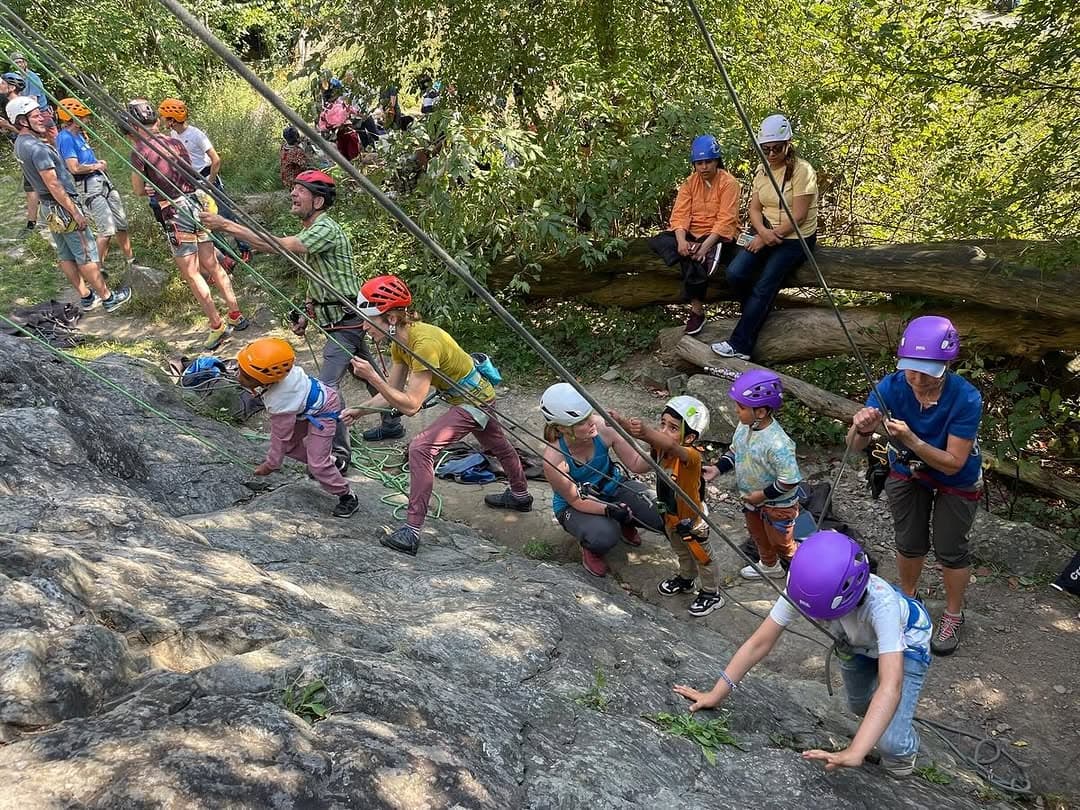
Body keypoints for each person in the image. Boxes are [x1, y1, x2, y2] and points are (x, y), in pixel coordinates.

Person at [675, 530, 933, 778]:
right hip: (854, 641)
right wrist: (717, 693)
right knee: (858, 705)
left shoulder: (882, 605)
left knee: (891, 743)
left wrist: (856, 751)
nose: (817, 619)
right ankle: (881, 724)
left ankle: (904, 747)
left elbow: (891, 685)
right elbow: (760, 642)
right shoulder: (804, 586)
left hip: (908, 642)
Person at [201, 169, 403, 465]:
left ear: (318, 202)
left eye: (300, 191)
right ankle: (391, 421)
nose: (293, 194)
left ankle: (339, 453)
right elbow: (318, 275)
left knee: (326, 388)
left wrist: (226, 225)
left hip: (344, 321)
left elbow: (278, 246)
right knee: (365, 369)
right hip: (339, 317)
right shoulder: (314, 231)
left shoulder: (325, 228)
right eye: (293, 189)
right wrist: (307, 312)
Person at [341, 275, 532, 555]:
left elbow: (411, 405)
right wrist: (360, 411)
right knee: (498, 445)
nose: (364, 327)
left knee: (420, 448)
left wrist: (372, 376)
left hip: (473, 401)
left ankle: (411, 531)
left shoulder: (423, 343)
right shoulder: (401, 343)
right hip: (474, 397)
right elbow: (392, 390)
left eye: (370, 319)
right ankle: (520, 495)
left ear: (392, 318)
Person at [846, 315, 983, 656]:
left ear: (946, 365)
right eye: (911, 369)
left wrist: (913, 439)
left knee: (951, 549)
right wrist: (862, 427)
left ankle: (953, 613)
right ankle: (908, 602)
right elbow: (853, 446)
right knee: (909, 542)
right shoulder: (891, 387)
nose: (917, 379)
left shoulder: (965, 398)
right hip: (908, 471)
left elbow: (954, 462)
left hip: (956, 476)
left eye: (927, 371)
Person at [122, 103, 247, 350]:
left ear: (134, 127)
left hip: (174, 211)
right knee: (212, 263)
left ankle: (216, 325)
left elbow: (138, 189)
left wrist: (152, 186)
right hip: (195, 204)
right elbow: (188, 173)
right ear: (156, 121)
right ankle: (236, 313)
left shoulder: (140, 150)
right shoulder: (175, 142)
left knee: (192, 273)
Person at [7, 96, 131, 313]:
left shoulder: (20, 144)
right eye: (35, 116)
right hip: (62, 207)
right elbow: (54, 184)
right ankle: (108, 298)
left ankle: (86, 296)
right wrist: (75, 212)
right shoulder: (37, 149)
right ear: (22, 120)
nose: (42, 119)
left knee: (65, 253)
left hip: (49, 208)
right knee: (85, 252)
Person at [712, 114, 818, 360]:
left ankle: (741, 345)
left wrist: (770, 236)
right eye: (766, 149)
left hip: (796, 238)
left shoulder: (803, 171)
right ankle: (757, 311)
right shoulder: (762, 170)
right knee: (736, 273)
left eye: (776, 148)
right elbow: (754, 208)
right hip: (766, 230)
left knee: (765, 284)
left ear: (788, 144)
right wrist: (761, 233)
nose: (771, 154)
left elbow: (799, 216)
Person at [613, 396, 724, 616]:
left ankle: (712, 593)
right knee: (682, 551)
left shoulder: (690, 457)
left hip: (692, 520)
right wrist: (622, 423)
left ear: (690, 437)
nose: (664, 431)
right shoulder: (661, 451)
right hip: (671, 516)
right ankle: (686, 578)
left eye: (673, 427)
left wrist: (646, 432)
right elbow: (654, 450)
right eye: (662, 424)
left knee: (702, 556)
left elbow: (672, 444)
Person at [540, 383, 665, 577]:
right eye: (581, 422)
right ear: (561, 429)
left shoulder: (602, 427)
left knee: (662, 512)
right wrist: (608, 510)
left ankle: (626, 521)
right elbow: (575, 499)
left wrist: (660, 447)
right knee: (603, 536)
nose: (591, 422)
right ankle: (591, 547)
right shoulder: (554, 459)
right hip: (573, 506)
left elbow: (636, 464)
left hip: (613, 486)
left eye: (589, 414)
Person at [237, 337, 360, 518]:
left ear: (264, 378)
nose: (238, 378)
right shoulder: (282, 371)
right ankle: (333, 462)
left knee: (317, 465)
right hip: (305, 407)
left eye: (245, 376)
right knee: (301, 452)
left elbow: (280, 437)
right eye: (240, 370)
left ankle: (347, 496)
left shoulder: (280, 400)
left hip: (323, 410)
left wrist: (271, 464)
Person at [712, 369, 802, 579]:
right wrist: (718, 468)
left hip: (778, 505)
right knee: (758, 536)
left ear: (760, 412)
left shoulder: (777, 443)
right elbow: (735, 451)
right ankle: (770, 566)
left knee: (782, 542)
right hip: (752, 499)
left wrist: (761, 496)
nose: (736, 411)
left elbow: (789, 480)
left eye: (741, 407)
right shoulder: (744, 427)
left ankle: (802, 570)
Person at [649, 134, 740, 335]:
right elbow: (680, 214)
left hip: (717, 236)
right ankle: (690, 254)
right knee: (660, 241)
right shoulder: (689, 183)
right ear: (694, 164)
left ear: (716, 161)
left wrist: (706, 245)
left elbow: (726, 219)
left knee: (696, 258)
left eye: (708, 161)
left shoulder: (729, 183)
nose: (704, 167)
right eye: (699, 163)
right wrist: (681, 241)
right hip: (691, 234)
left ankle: (697, 310)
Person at [157, 98, 251, 262]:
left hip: (206, 178)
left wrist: (210, 182)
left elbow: (216, 159)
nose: (162, 120)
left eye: (164, 117)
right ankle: (227, 255)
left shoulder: (196, 134)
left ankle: (244, 248)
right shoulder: (173, 134)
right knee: (206, 222)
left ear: (172, 120)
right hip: (191, 182)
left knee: (225, 215)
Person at [55, 98, 136, 268]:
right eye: (83, 116)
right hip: (89, 185)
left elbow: (84, 160)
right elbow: (74, 168)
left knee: (121, 223)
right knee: (106, 230)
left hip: (102, 180)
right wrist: (96, 166)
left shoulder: (79, 135)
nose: (87, 119)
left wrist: (97, 163)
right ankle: (97, 269)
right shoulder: (66, 138)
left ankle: (131, 261)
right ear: (73, 118)